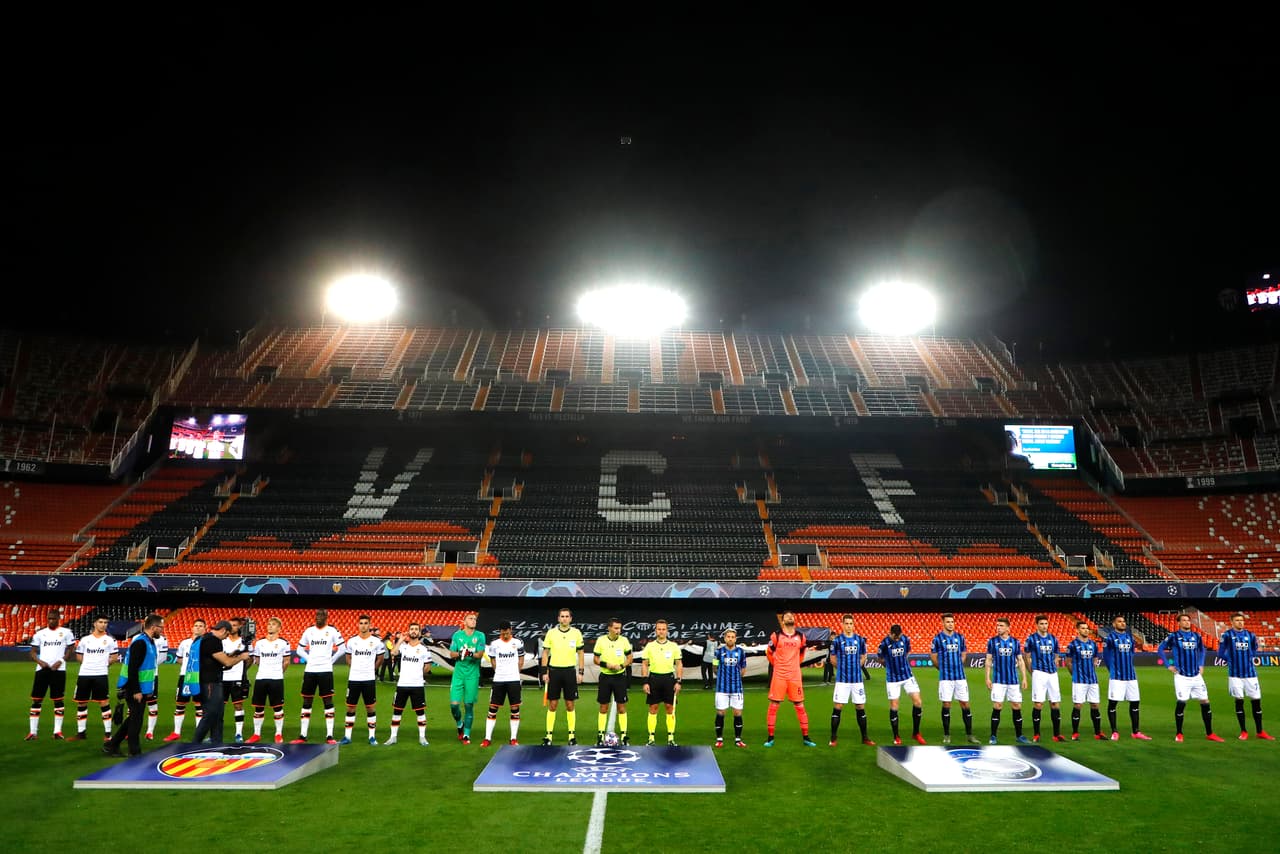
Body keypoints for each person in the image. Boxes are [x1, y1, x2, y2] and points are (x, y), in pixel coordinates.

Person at [103, 614, 164, 757]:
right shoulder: (141, 643)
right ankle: (135, 752)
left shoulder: (148, 642)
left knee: (133, 718)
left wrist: (148, 689)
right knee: (136, 721)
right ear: (153, 627)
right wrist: (137, 690)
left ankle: (112, 745)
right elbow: (132, 668)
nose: (162, 631)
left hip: (141, 687)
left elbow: (147, 668)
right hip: (134, 687)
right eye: (160, 628)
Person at [1158, 612, 1224, 743]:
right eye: (1184, 620)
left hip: (1196, 676)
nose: (1187, 622)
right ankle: (1179, 733)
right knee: (1182, 702)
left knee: (1205, 701)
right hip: (1182, 676)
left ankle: (1210, 733)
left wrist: (1201, 664)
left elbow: (1202, 650)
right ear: (1179, 623)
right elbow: (1160, 649)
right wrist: (1168, 665)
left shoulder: (1196, 636)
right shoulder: (1174, 636)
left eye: (1188, 620)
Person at [190, 620, 252, 744]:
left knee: (218, 714)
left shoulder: (204, 638)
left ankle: (216, 742)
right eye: (226, 635)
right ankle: (195, 744)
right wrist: (241, 657)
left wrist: (232, 654)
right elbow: (227, 662)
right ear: (223, 630)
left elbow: (215, 659)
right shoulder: (213, 640)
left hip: (209, 680)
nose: (225, 638)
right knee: (211, 714)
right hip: (210, 682)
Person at [292, 609, 344, 744]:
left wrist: (330, 661)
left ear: (327, 617)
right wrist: (309, 659)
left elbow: (342, 648)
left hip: (325, 671)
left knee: (328, 701)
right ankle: (302, 735)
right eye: (317, 615)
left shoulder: (332, 631)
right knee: (307, 701)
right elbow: (299, 649)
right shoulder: (309, 631)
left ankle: (330, 736)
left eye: (322, 615)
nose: (319, 617)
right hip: (310, 671)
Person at [764, 611, 816, 747]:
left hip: (794, 676)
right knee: (774, 706)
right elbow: (769, 652)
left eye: (791, 616)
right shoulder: (776, 635)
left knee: (800, 706)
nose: (790, 618)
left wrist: (795, 665)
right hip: (779, 676)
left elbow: (803, 652)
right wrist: (777, 665)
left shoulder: (801, 636)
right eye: (787, 616)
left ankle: (806, 737)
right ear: (782, 620)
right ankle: (770, 738)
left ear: (794, 619)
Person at [1218, 612, 1273, 740]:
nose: (1240, 622)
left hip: (1251, 674)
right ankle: (1243, 731)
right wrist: (1231, 660)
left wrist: (1250, 657)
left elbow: (1254, 649)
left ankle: (1260, 731)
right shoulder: (1226, 635)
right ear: (1232, 622)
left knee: (1256, 701)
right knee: (1239, 701)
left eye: (1241, 620)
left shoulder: (1250, 635)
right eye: (1237, 620)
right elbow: (1220, 653)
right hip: (1235, 675)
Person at [27, 610, 76, 740]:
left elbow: (71, 649)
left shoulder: (66, 632)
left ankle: (57, 732)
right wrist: (39, 661)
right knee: (37, 699)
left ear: (59, 618)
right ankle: (33, 732)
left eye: (53, 618)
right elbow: (32, 651)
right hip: (42, 670)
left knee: (58, 699)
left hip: (58, 670)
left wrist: (61, 661)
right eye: (49, 619)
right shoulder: (40, 634)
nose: (51, 621)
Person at [1100, 615, 1150, 741]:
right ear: (1114, 624)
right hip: (1117, 676)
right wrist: (1113, 671)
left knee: (1135, 702)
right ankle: (1114, 731)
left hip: (1131, 676)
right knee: (1113, 703)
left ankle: (1136, 732)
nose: (1122, 623)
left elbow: (1132, 652)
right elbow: (1106, 657)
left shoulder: (1129, 637)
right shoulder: (1109, 638)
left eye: (1123, 621)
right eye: (1119, 621)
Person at [931, 613, 978, 745]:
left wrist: (960, 663)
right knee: (947, 704)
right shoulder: (938, 638)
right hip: (945, 677)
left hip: (960, 677)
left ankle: (970, 734)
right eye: (948, 622)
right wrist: (942, 669)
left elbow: (964, 653)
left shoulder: (960, 637)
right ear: (943, 623)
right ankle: (946, 735)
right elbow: (933, 656)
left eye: (952, 621)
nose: (951, 624)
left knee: (965, 704)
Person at [540, 608, 585, 746]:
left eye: (567, 616)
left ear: (571, 619)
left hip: (570, 672)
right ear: (558, 618)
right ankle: (548, 736)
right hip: (554, 672)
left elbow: (581, 653)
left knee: (570, 704)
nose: (564, 619)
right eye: (562, 616)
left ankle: (571, 735)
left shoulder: (576, 633)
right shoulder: (551, 633)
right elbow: (545, 653)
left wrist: (581, 672)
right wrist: (544, 672)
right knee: (553, 704)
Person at [828, 614, 873, 747]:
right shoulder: (837, 641)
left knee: (860, 706)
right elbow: (833, 658)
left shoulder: (859, 640)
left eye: (850, 623)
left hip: (857, 680)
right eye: (846, 623)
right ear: (842, 625)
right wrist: (842, 668)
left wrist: (858, 665)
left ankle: (865, 737)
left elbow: (864, 655)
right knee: (838, 707)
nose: (848, 626)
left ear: (853, 625)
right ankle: (833, 737)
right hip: (842, 680)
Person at [72, 616, 119, 742]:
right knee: (81, 702)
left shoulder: (110, 640)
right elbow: (79, 656)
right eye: (101, 622)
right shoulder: (85, 640)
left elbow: (114, 657)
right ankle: (81, 733)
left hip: (101, 674)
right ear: (94, 623)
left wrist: (103, 665)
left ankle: (108, 734)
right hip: (84, 674)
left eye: (105, 622)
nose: (103, 624)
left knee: (104, 702)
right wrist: (88, 665)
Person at [879, 624, 925, 746]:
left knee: (918, 702)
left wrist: (903, 662)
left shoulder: (905, 639)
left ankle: (916, 733)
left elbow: (908, 651)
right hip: (893, 679)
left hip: (907, 676)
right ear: (891, 634)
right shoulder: (884, 643)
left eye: (899, 636)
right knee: (894, 705)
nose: (898, 639)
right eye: (896, 637)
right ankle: (896, 736)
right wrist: (889, 666)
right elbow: (880, 658)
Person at [342, 614, 384, 745]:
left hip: (368, 679)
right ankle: (347, 737)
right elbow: (348, 658)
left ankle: (372, 737)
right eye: (361, 623)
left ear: (370, 625)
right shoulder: (352, 641)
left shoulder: (376, 642)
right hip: (354, 679)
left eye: (366, 623)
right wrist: (354, 668)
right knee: (350, 708)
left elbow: (380, 658)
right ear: (358, 625)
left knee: (370, 708)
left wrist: (372, 669)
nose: (364, 625)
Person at [387, 623, 432, 746]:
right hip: (402, 684)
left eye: (416, 629)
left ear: (419, 633)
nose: (413, 631)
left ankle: (422, 737)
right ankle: (393, 737)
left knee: (420, 712)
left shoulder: (424, 649)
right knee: (397, 711)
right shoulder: (403, 647)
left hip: (417, 685)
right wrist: (400, 640)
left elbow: (427, 666)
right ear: (408, 631)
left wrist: (418, 674)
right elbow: (393, 653)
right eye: (411, 629)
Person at [986, 617, 1029, 744]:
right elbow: (988, 660)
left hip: (1013, 680)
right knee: (997, 706)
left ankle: (1019, 735)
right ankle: (993, 736)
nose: (998, 627)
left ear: (1008, 628)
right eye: (997, 625)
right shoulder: (992, 642)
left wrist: (1024, 678)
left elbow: (1020, 661)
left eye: (1001, 625)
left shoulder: (1015, 642)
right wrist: (987, 678)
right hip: (998, 680)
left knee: (1016, 706)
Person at [482, 621, 525, 747]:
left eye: (507, 631)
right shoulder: (495, 644)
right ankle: (487, 738)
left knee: (515, 709)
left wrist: (516, 671)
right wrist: (498, 671)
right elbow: (493, 659)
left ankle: (513, 738)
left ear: (510, 630)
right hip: (499, 680)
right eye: (503, 631)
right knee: (493, 708)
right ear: (500, 631)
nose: (505, 634)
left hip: (513, 679)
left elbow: (521, 658)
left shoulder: (517, 642)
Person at [247, 617, 290, 744]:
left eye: (273, 624)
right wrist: (265, 670)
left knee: (277, 708)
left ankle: (278, 733)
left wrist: (277, 672)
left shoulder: (284, 643)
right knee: (258, 707)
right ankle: (256, 734)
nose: (270, 626)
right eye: (269, 624)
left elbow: (286, 661)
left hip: (276, 678)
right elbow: (257, 661)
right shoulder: (260, 643)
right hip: (261, 678)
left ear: (279, 628)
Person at [592, 618, 633, 746]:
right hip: (605, 677)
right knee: (603, 706)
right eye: (615, 628)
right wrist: (607, 664)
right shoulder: (601, 640)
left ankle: (624, 735)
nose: (618, 631)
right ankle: (600, 734)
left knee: (621, 707)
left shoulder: (624, 641)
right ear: (609, 628)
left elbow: (630, 658)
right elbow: (595, 659)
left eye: (619, 628)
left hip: (620, 677)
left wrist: (622, 665)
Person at [1024, 615, 1065, 742]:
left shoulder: (1053, 638)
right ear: (1037, 625)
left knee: (1055, 703)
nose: (1044, 626)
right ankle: (1036, 734)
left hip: (1052, 674)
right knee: (1038, 703)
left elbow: (1057, 654)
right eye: (1041, 623)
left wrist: (1056, 662)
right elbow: (1026, 656)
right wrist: (1032, 671)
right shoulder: (1031, 639)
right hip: (1039, 673)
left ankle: (1056, 734)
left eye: (1046, 623)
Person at [641, 619, 682, 745]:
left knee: (670, 708)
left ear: (667, 631)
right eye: (659, 629)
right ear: (655, 630)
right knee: (653, 708)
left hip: (669, 679)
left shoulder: (673, 646)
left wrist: (678, 681)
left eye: (663, 629)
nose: (661, 631)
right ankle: (651, 738)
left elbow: (679, 664)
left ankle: (670, 738)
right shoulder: (650, 646)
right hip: (654, 679)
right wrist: (645, 682)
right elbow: (644, 664)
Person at [165, 619, 206, 742]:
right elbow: (179, 659)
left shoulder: (206, 643)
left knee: (199, 705)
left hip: (199, 677)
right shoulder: (185, 643)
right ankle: (176, 732)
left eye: (201, 626)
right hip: (185, 676)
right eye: (196, 626)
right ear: (192, 628)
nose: (198, 628)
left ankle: (199, 733)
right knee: (180, 704)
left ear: (205, 629)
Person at [449, 612, 486, 744]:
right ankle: (460, 724)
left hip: (472, 674)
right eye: (470, 619)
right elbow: (451, 654)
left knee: (468, 705)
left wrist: (469, 652)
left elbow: (480, 654)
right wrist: (460, 653)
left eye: (475, 619)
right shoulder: (457, 635)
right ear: (464, 622)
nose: (473, 621)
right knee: (454, 705)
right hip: (458, 674)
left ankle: (466, 734)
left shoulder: (480, 635)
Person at [1064, 621, 1104, 740]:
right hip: (1079, 680)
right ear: (1078, 630)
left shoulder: (1093, 644)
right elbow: (1068, 662)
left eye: (1087, 628)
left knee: (1095, 705)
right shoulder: (1072, 645)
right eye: (1083, 628)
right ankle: (1075, 733)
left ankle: (1098, 733)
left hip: (1092, 680)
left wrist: (1092, 666)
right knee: (1078, 705)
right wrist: (1075, 675)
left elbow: (1095, 658)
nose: (1086, 630)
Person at [712, 627, 748, 748]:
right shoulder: (718, 652)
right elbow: (714, 668)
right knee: (721, 712)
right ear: (724, 638)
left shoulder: (741, 652)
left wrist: (736, 677)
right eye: (728, 637)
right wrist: (722, 676)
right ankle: (719, 739)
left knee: (737, 713)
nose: (730, 639)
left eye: (733, 637)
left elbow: (743, 668)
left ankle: (738, 739)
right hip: (722, 688)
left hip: (737, 688)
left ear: (735, 638)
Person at [222, 617, 250, 742]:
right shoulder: (222, 641)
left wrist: (242, 670)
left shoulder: (245, 642)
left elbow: (250, 660)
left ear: (239, 627)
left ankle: (238, 733)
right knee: (218, 707)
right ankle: (215, 733)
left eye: (234, 625)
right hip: (222, 678)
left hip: (237, 678)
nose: (231, 627)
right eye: (230, 625)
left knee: (238, 706)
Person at [145, 630, 169, 740]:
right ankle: (129, 729)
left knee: (152, 702)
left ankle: (150, 731)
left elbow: (163, 657)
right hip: (138, 675)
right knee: (133, 704)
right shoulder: (137, 638)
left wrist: (151, 664)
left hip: (152, 674)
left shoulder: (162, 639)